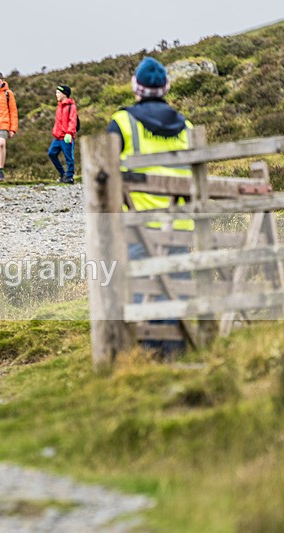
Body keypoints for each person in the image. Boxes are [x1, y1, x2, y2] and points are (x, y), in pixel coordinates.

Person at [107, 56, 194, 354]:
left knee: (143, 288)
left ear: (135, 86)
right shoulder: (188, 126)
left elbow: (105, 176)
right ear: (167, 87)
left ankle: (149, 354)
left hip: (140, 223)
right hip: (181, 223)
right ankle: (177, 352)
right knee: (175, 286)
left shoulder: (122, 123)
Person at [48, 84, 78, 184]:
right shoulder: (59, 106)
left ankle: (69, 177)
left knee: (69, 157)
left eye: (58, 92)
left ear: (64, 94)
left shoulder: (71, 107)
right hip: (57, 137)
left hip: (66, 137)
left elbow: (72, 121)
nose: (56, 94)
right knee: (51, 153)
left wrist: (69, 133)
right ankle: (62, 174)